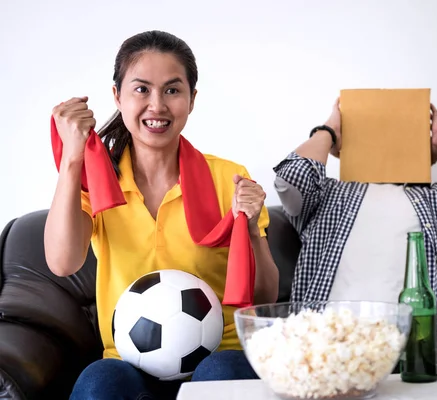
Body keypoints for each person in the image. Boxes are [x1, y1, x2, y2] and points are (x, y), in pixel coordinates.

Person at [44, 30, 277, 400]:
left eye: (172, 90)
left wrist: (249, 229)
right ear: (117, 96)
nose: (157, 105)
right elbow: (62, 262)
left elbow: (265, 295)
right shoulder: (98, 180)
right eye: (141, 89)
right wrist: (73, 159)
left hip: (215, 357)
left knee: (224, 374)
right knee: (99, 381)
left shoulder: (228, 177)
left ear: (192, 99)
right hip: (128, 362)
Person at [273, 98, 437, 400]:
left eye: (400, 134)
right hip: (334, 353)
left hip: (424, 356)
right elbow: (291, 177)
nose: (387, 144)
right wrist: (330, 130)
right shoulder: (324, 198)